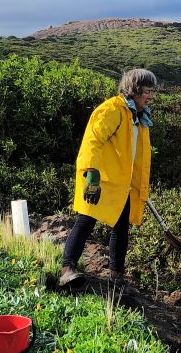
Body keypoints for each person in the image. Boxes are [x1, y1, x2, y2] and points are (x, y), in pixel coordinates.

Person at [58, 69, 156, 288]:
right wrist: (91, 174)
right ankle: (67, 270)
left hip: (121, 185)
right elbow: (93, 140)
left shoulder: (138, 117)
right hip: (99, 180)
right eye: (148, 91)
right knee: (86, 221)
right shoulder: (113, 109)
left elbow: (135, 156)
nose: (150, 97)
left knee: (121, 229)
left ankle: (116, 277)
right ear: (136, 89)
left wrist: (139, 187)